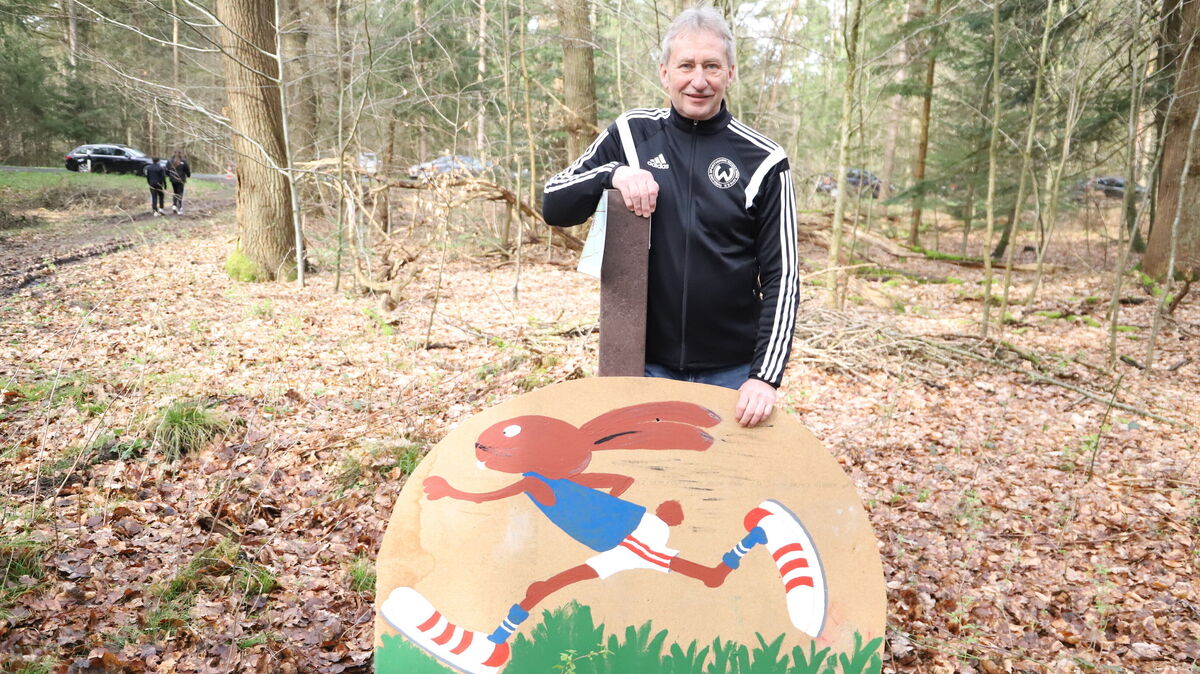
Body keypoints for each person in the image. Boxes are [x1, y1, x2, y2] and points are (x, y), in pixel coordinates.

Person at [542, 7, 799, 429]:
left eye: (712, 66)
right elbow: (554, 203)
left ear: (730, 74)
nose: (698, 80)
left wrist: (764, 377)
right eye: (686, 66)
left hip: (731, 376)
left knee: (721, 491)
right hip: (641, 368)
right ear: (665, 73)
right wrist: (612, 174)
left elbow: (783, 277)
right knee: (641, 486)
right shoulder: (631, 135)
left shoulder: (765, 160)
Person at [166, 150, 192, 214]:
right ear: (181, 154)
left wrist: (169, 175)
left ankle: (174, 205)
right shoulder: (183, 161)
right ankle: (180, 208)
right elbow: (187, 170)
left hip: (173, 179)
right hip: (181, 179)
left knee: (175, 192)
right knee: (180, 193)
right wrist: (188, 175)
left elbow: (166, 170)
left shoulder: (170, 161)